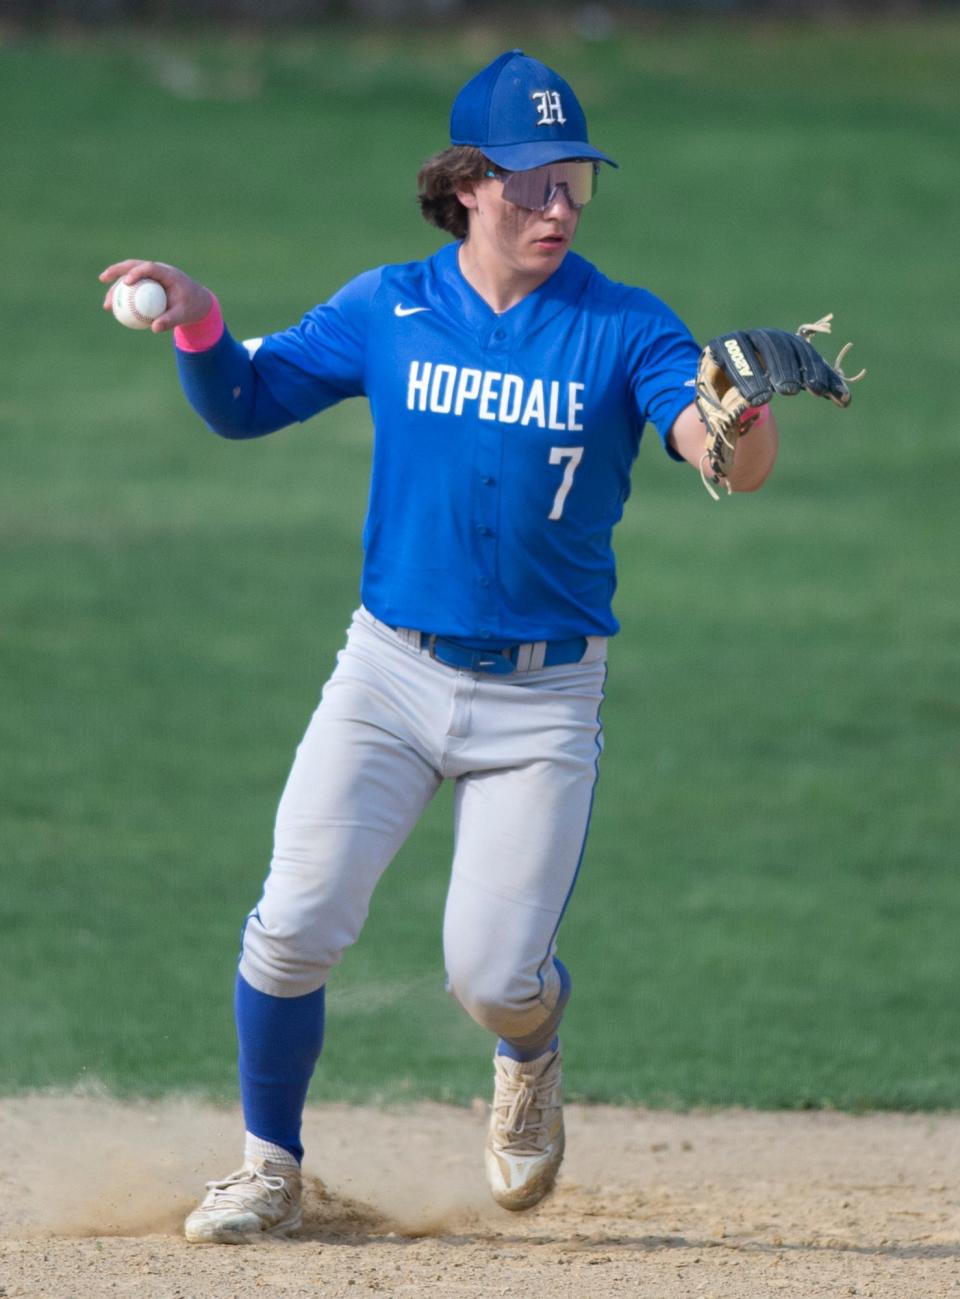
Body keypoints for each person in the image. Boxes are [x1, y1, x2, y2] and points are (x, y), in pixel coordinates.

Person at [100, 49, 784, 1244]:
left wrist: (741, 413)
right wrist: (201, 319)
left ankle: (531, 1053)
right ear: (466, 184)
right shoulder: (390, 307)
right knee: (295, 923)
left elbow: (721, 455)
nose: (557, 208)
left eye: (574, 183)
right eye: (530, 186)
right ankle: (270, 1166)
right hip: (389, 674)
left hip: (543, 702)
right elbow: (246, 403)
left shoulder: (626, 328)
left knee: (493, 979)